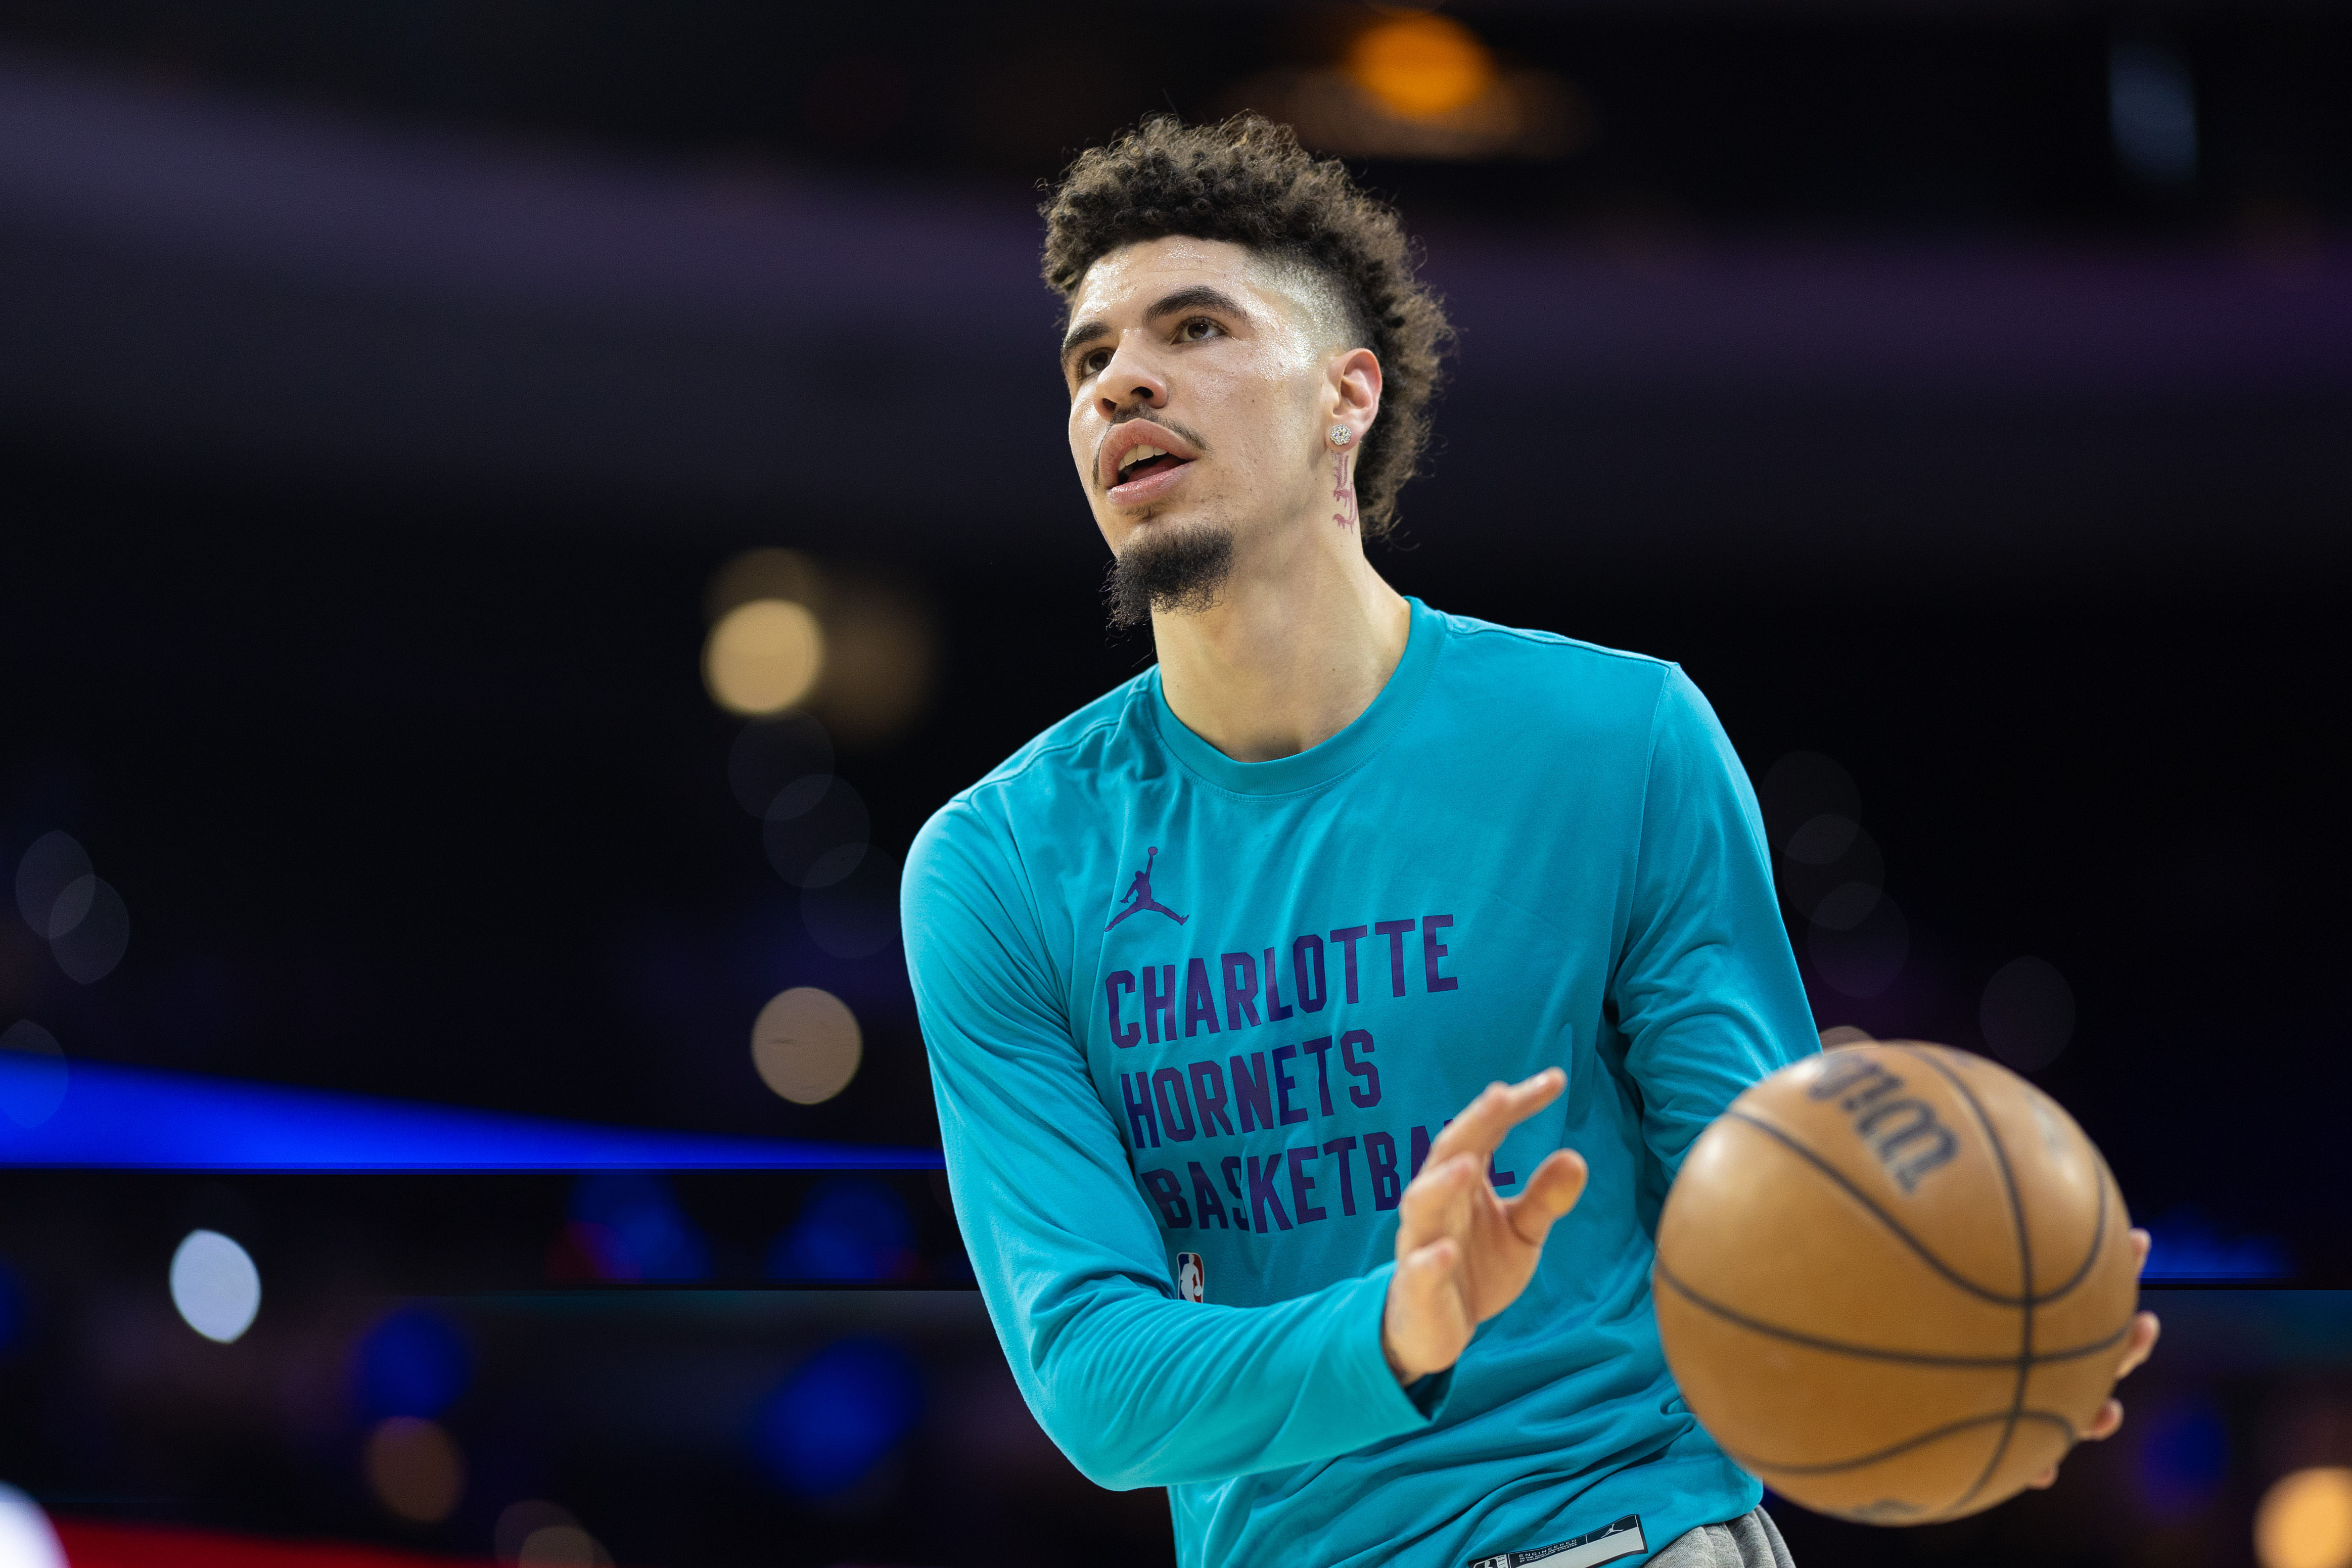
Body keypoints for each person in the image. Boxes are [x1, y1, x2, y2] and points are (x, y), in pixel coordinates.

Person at [900, 115, 2156, 1568]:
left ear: (1345, 395)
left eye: (1195, 326)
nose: (1122, 377)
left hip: (1627, 1538)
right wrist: (1402, 1318)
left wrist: (1979, 1310)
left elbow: (1753, 1213)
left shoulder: (1619, 741)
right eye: (1090, 356)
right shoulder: (995, 866)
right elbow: (1100, 1388)